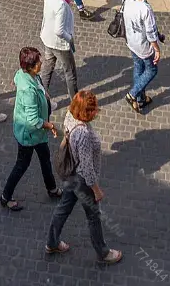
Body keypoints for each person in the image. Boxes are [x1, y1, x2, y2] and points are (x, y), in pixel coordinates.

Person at [46, 91, 121, 264]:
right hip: (81, 180)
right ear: (85, 112)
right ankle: (103, 253)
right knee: (93, 216)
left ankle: (52, 242)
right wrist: (96, 190)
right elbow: (86, 168)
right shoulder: (83, 134)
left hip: (70, 174)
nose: (96, 112)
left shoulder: (69, 115)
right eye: (93, 110)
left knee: (63, 208)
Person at [0, 47, 61, 211]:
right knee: (22, 165)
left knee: (45, 158)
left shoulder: (26, 75)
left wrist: (45, 98)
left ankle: (52, 188)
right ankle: (5, 196)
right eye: (38, 62)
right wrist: (50, 125)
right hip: (29, 134)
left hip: (38, 134)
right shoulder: (28, 90)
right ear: (30, 67)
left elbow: (32, 84)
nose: (41, 63)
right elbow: (33, 120)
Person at [123, 0, 161, 114]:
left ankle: (140, 99)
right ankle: (132, 94)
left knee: (138, 67)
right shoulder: (146, 8)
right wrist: (157, 49)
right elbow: (150, 33)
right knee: (151, 70)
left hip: (131, 41)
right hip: (143, 45)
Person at [40, 0, 78, 105]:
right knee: (70, 73)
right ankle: (75, 104)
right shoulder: (61, 4)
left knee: (47, 69)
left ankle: (42, 98)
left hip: (47, 38)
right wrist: (69, 38)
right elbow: (59, 30)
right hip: (59, 44)